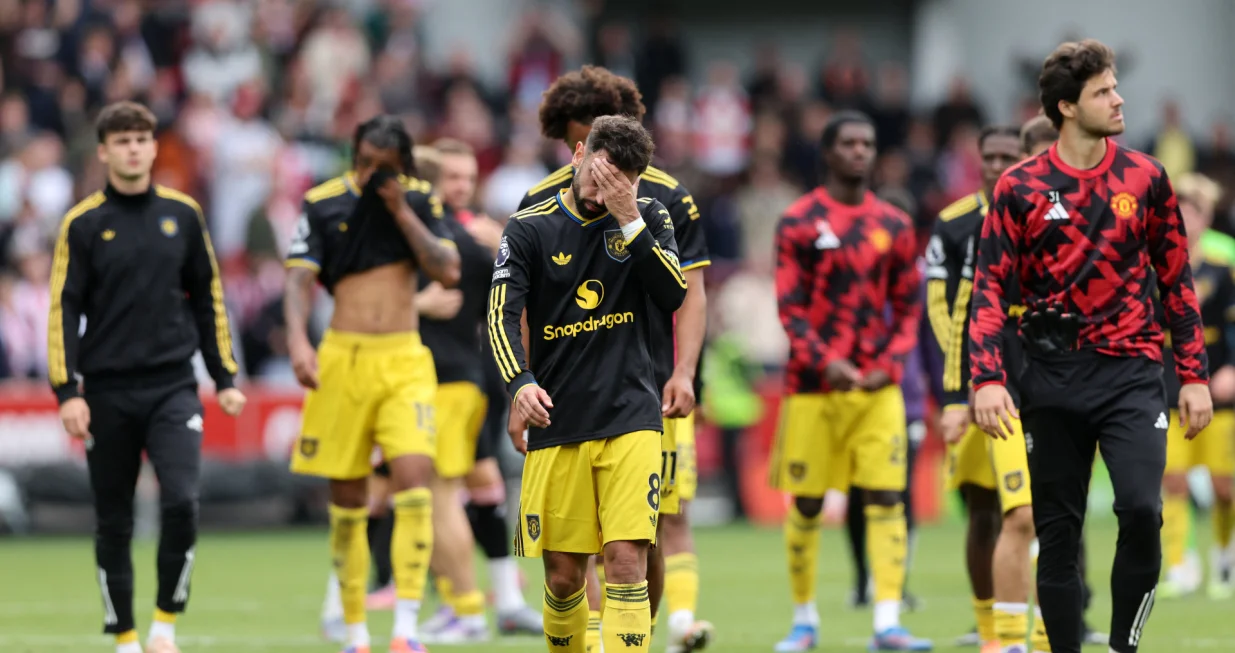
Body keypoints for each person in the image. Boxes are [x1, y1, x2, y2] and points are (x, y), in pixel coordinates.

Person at [969, 39, 1213, 653]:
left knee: (1139, 510)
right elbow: (990, 287)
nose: (1118, 97)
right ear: (1067, 108)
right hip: (1051, 378)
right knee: (1057, 535)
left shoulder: (1147, 177)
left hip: (1133, 373)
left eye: (1114, 86)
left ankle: (1124, 645)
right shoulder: (1020, 187)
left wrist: (1194, 374)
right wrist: (987, 376)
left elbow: (1177, 282)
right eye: (1103, 91)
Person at [518, 65, 713, 653]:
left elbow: (690, 291)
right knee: (574, 557)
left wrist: (683, 371)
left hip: (646, 391)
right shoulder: (536, 204)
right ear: (572, 140)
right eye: (581, 139)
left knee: (644, 537)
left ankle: (651, 632)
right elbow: (519, 309)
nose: (595, 161)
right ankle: (603, 639)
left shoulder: (666, 196)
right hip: (570, 397)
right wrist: (519, 388)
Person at [49, 100, 246, 653]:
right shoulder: (83, 224)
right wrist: (67, 390)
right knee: (113, 519)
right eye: (123, 140)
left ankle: (164, 625)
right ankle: (125, 636)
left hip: (172, 388)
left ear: (154, 147)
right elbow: (62, 308)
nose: (134, 148)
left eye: (142, 138)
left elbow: (208, 297)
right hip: (106, 392)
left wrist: (224, 376)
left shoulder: (183, 215)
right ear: (105, 151)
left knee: (182, 500)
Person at [284, 114, 461, 653]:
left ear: (402, 165)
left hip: (404, 358)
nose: (369, 176)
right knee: (348, 497)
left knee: (414, 477)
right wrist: (297, 341)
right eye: (362, 164)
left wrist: (398, 208)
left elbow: (448, 269)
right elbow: (297, 276)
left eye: (381, 168)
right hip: (344, 357)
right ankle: (355, 630)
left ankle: (406, 628)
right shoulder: (323, 202)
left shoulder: (420, 202)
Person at [770, 110, 930, 652]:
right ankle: (804, 620)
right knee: (809, 503)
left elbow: (910, 307)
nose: (861, 151)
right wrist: (824, 361)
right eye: (850, 143)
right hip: (813, 388)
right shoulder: (797, 220)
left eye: (867, 143)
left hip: (875, 388)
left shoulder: (896, 225)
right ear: (829, 153)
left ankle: (887, 620)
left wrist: (890, 362)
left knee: (888, 497)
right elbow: (789, 309)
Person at [928, 124, 1049, 653]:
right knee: (984, 509)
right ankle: (991, 635)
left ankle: (1045, 632)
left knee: (1037, 511)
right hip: (982, 379)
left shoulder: (1043, 214)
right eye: (990, 156)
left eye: (1009, 155)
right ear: (978, 160)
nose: (999, 164)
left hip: (1043, 383)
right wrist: (959, 390)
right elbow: (945, 308)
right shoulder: (954, 224)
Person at [1156, 172, 1235, 601]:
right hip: (1169, 385)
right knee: (1174, 480)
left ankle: (1225, 556)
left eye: (1194, 209)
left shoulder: (1223, 270)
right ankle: (1180, 565)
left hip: (1217, 387)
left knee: (1225, 486)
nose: (1186, 216)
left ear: (1206, 217)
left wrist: (1232, 370)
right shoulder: (1156, 265)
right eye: (1179, 208)